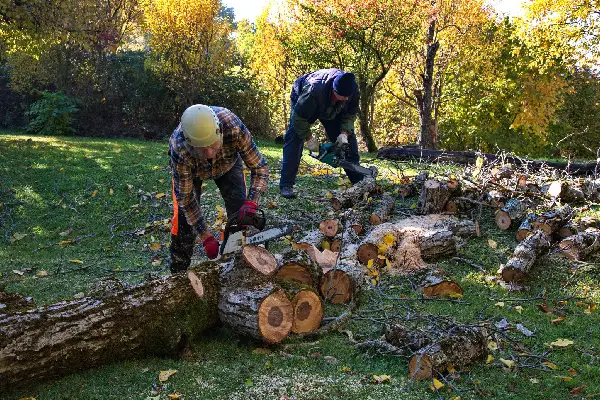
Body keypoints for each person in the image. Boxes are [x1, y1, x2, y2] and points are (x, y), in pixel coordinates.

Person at [169, 104, 269, 272]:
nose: (209, 153)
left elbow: (260, 167)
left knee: (239, 213)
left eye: (212, 145)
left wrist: (252, 202)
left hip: (228, 165)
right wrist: (206, 237)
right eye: (202, 149)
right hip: (193, 173)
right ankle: (179, 270)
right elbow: (186, 198)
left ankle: (236, 261)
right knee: (184, 222)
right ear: (190, 143)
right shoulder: (179, 147)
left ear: (219, 132)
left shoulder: (233, 126)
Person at [279, 68, 361, 199]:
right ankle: (286, 184)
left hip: (333, 110)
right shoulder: (313, 90)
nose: (346, 99)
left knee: (349, 143)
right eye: (342, 96)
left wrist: (344, 134)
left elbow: (350, 114)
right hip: (307, 103)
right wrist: (309, 139)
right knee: (294, 137)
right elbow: (298, 118)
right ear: (335, 90)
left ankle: (359, 181)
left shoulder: (352, 90)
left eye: (347, 96)